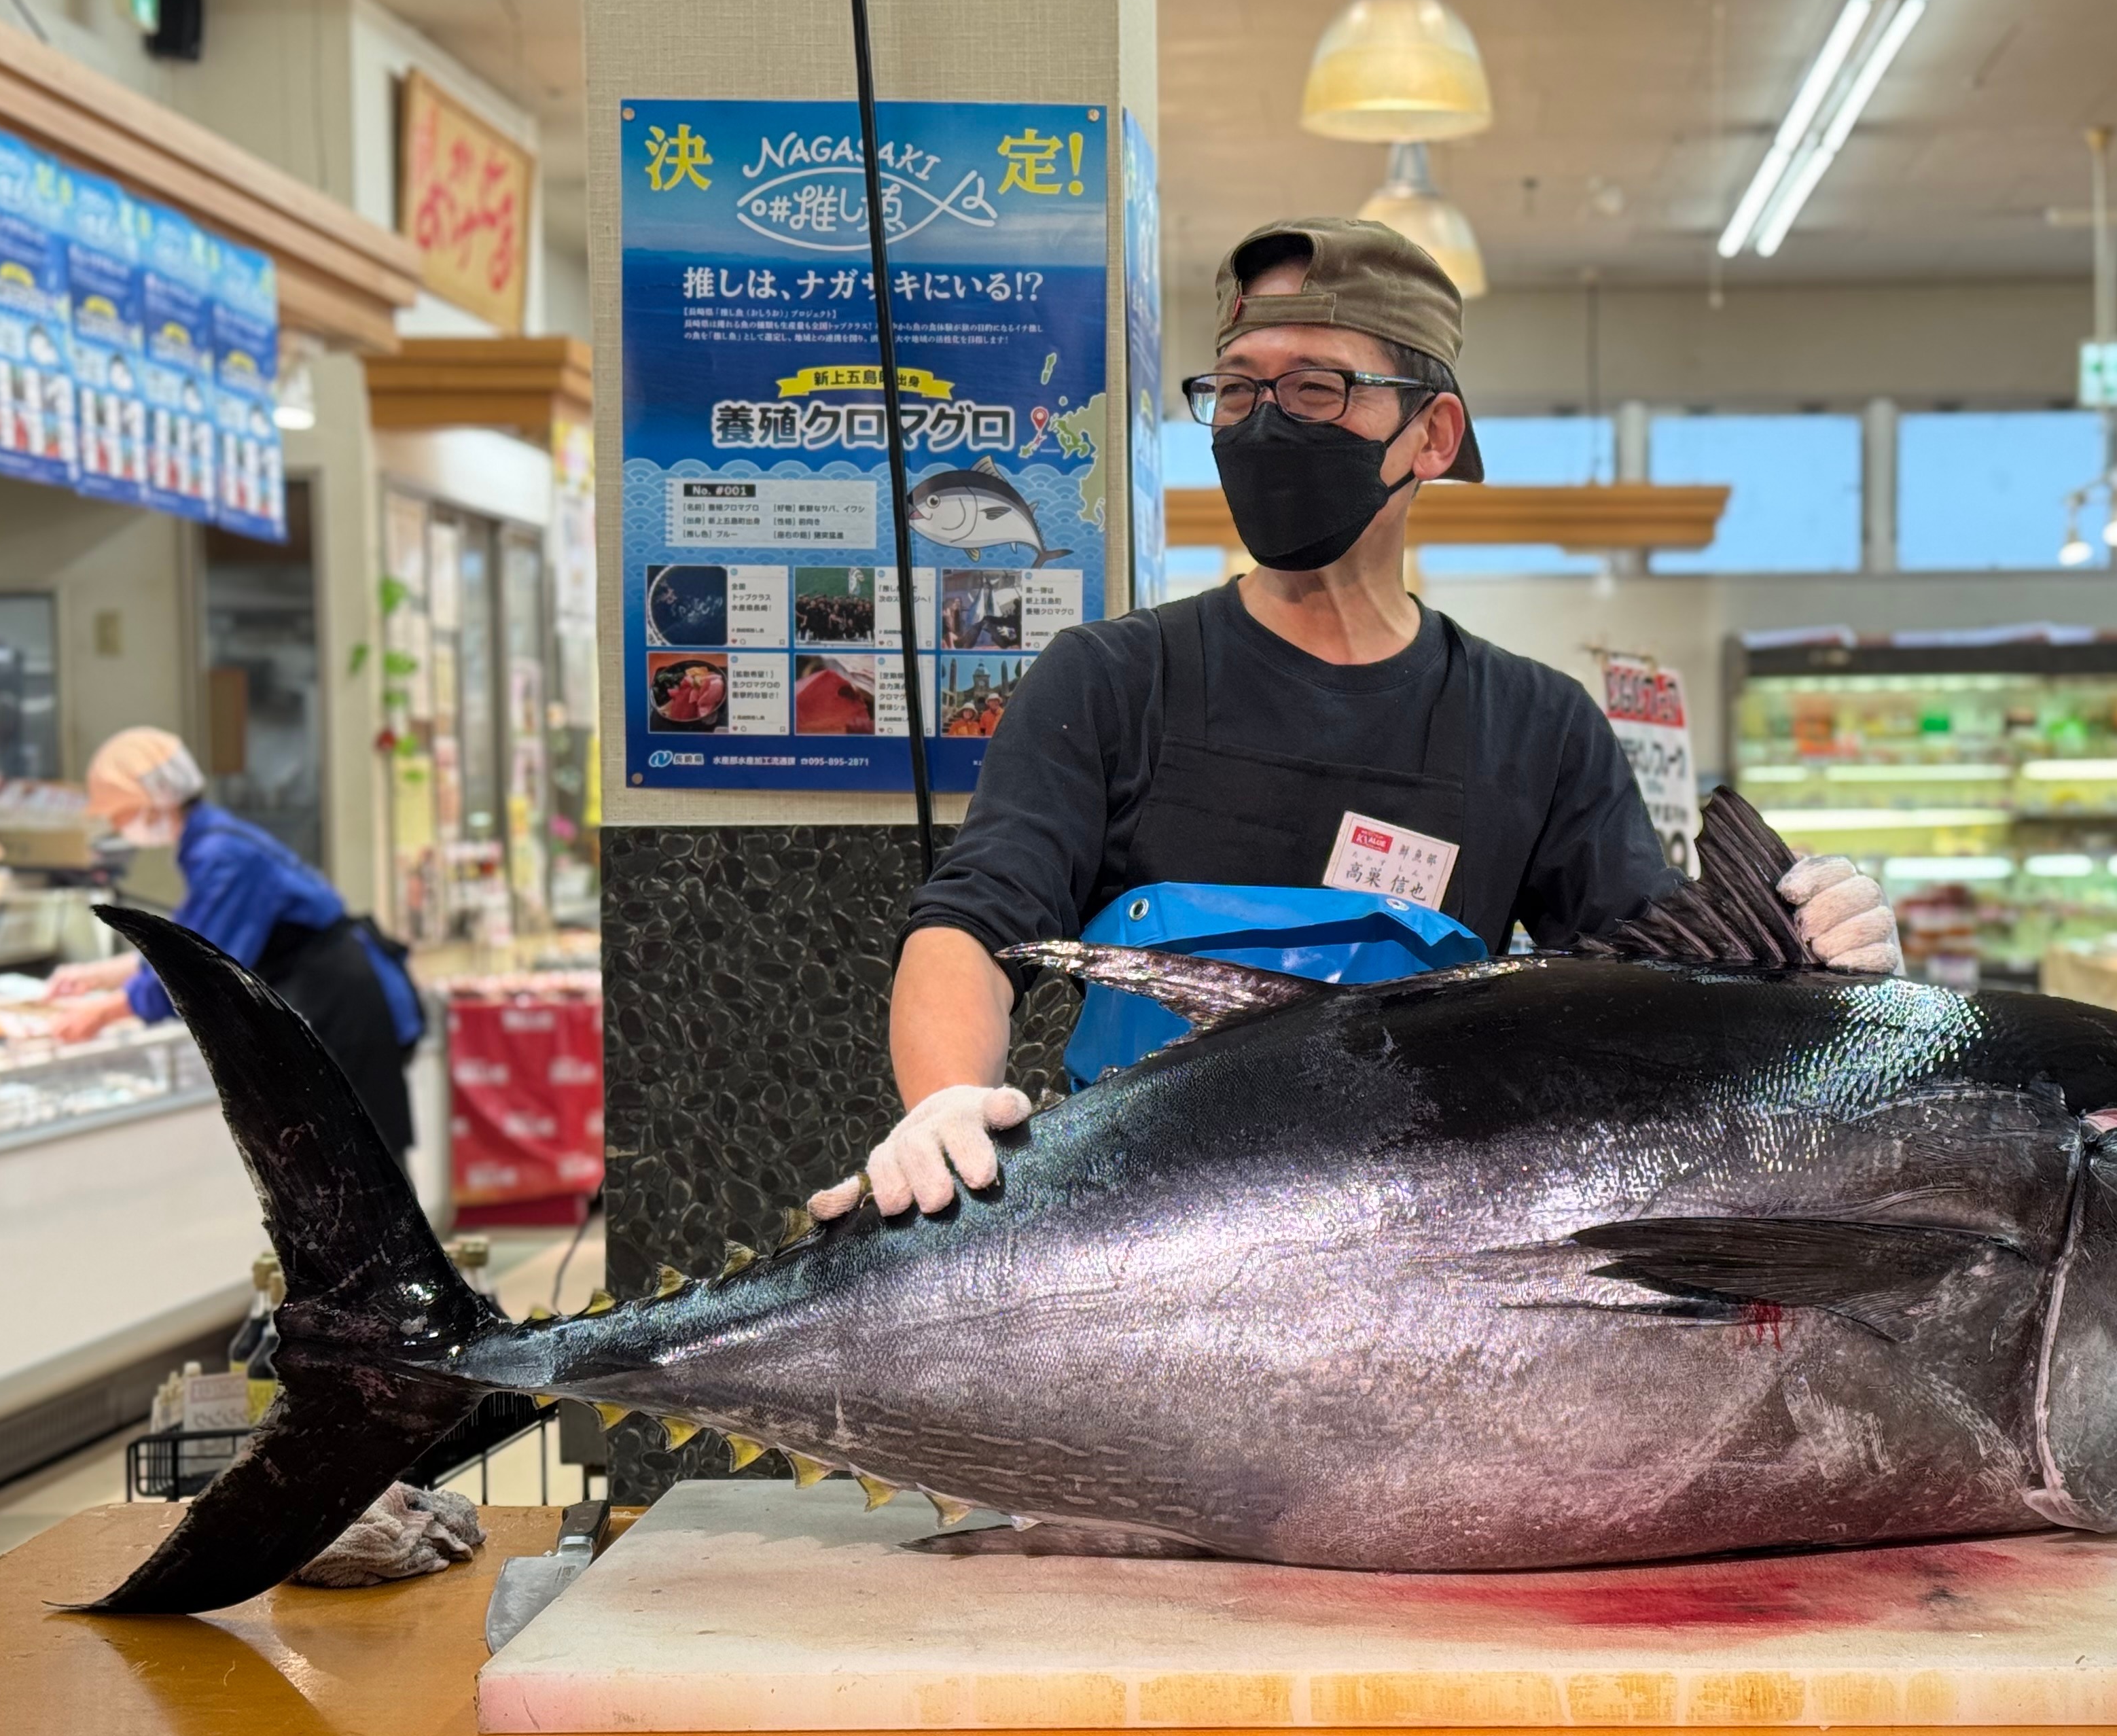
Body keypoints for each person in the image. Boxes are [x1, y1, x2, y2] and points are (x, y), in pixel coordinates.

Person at [810, 218, 1897, 1224]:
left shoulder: (1534, 725)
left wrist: (1801, 966)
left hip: (1416, 1255)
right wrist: (946, 1103)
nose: (1265, 422)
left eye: (1316, 387)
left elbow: (1655, 999)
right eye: (1237, 390)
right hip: (1133, 1236)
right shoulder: (1114, 679)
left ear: (1433, 434)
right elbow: (975, 921)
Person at [47, 726, 425, 1155]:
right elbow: (188, 935)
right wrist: (99, 976)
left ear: (155, 799)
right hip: (329, 993)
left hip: (344, 1005)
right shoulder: (212, 839)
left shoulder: (223, 855)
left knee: (365, 1164)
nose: (117, 826)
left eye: (120, 813)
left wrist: (104, 1012)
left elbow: (194, 969)